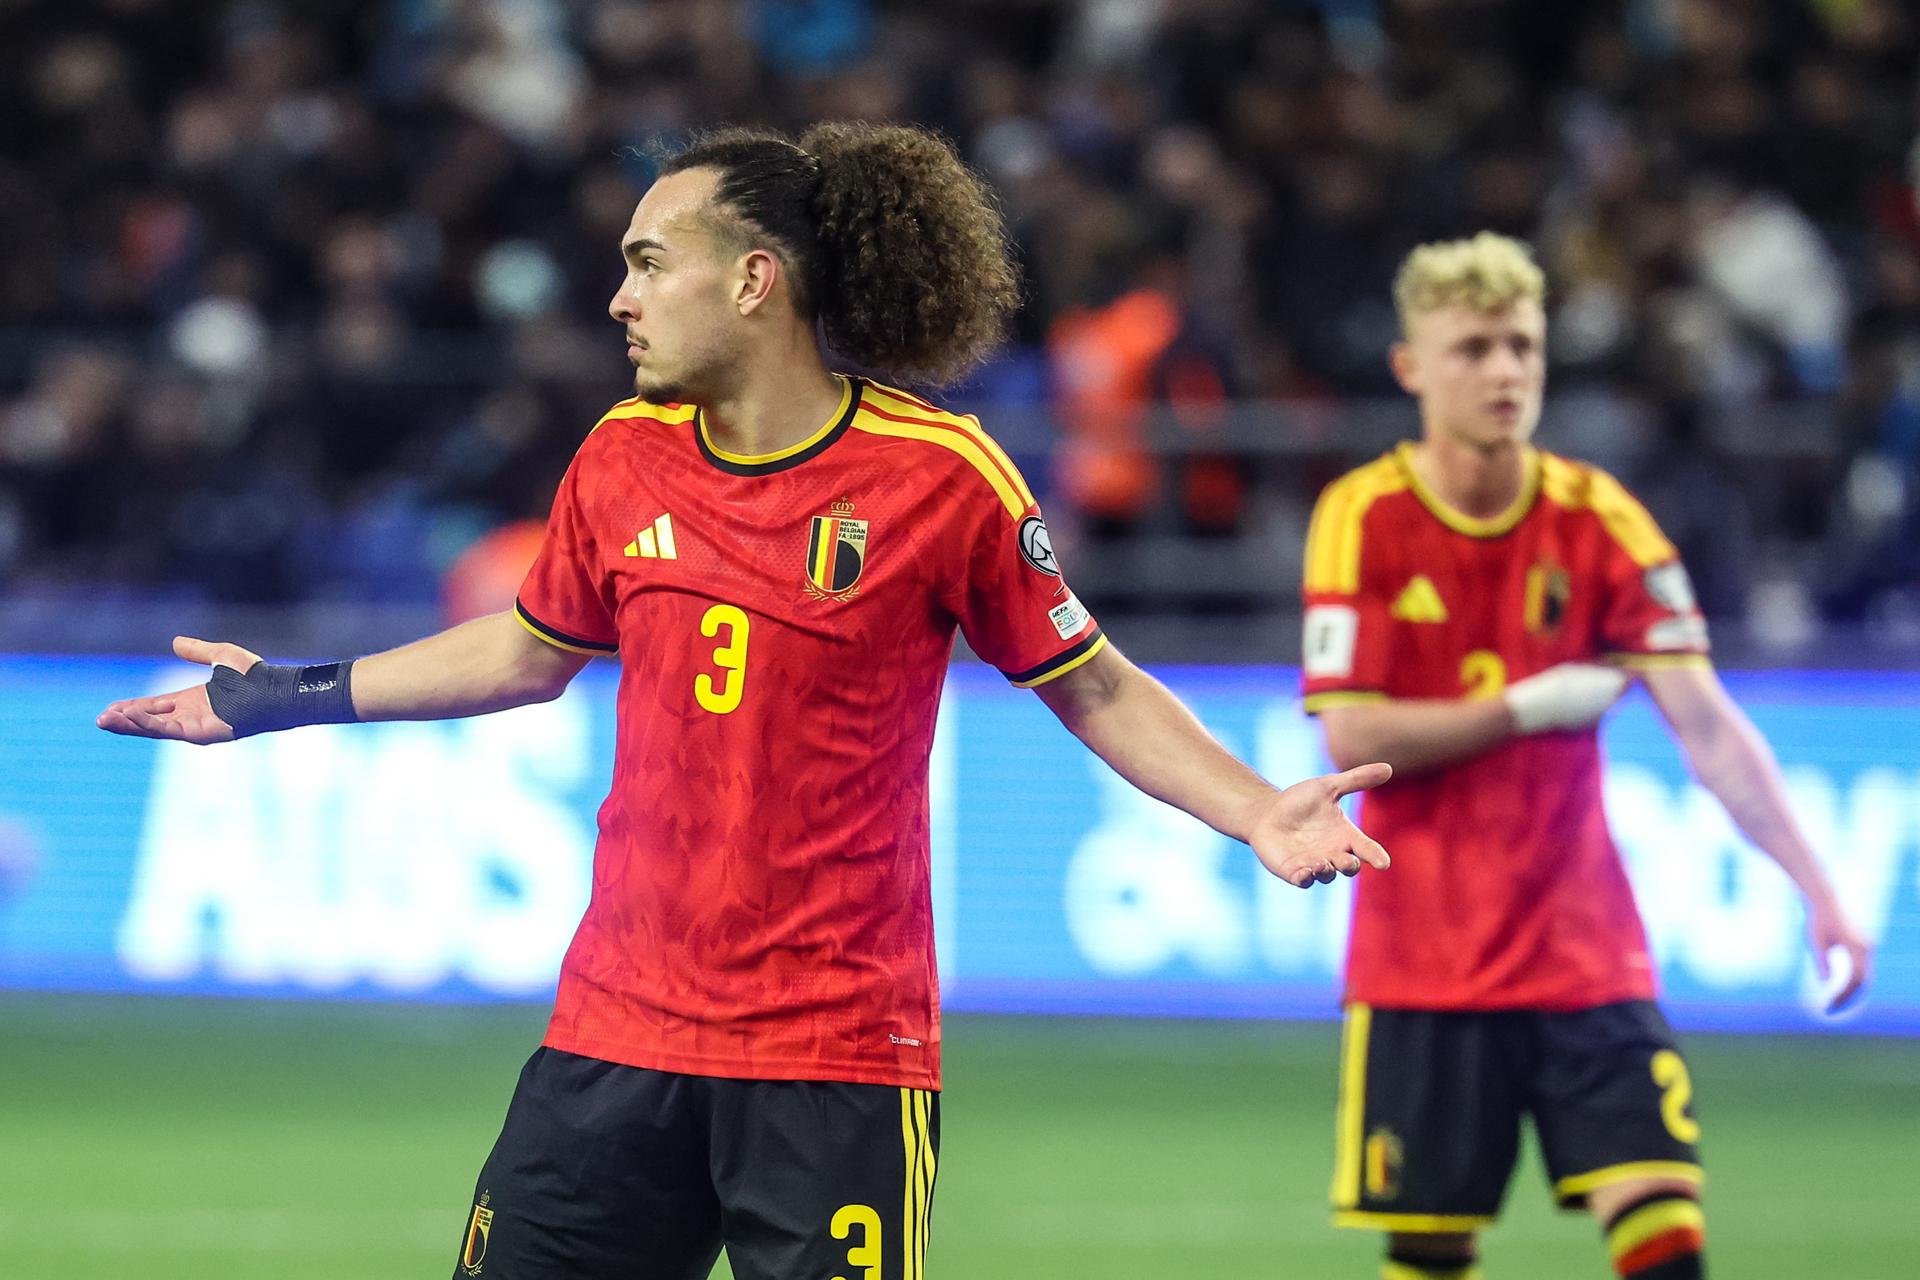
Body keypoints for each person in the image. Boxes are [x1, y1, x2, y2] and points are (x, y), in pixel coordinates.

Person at [98, 123, 1393, 1280]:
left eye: (651, 261)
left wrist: (1257, 812)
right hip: (614, 1039)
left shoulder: (942, 479)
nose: (620, 298)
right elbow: (526, 652)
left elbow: (1093, 682)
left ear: (755, 279)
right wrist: (281, 697)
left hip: (833, 1064)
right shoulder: (622, 455)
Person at [1298, 231, 1874, 1280]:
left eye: (1522, 344)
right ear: (1410, 367)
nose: (1506, 370)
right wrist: (1522, 707)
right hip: (1424, 961)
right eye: (1473, 347)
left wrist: (1820, 884)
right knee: (1432, 1257)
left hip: (1585, 948)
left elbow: (1708, 726)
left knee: (1665, 1231)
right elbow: (1353, 733)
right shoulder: (1362, 516)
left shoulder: (1601, 519)